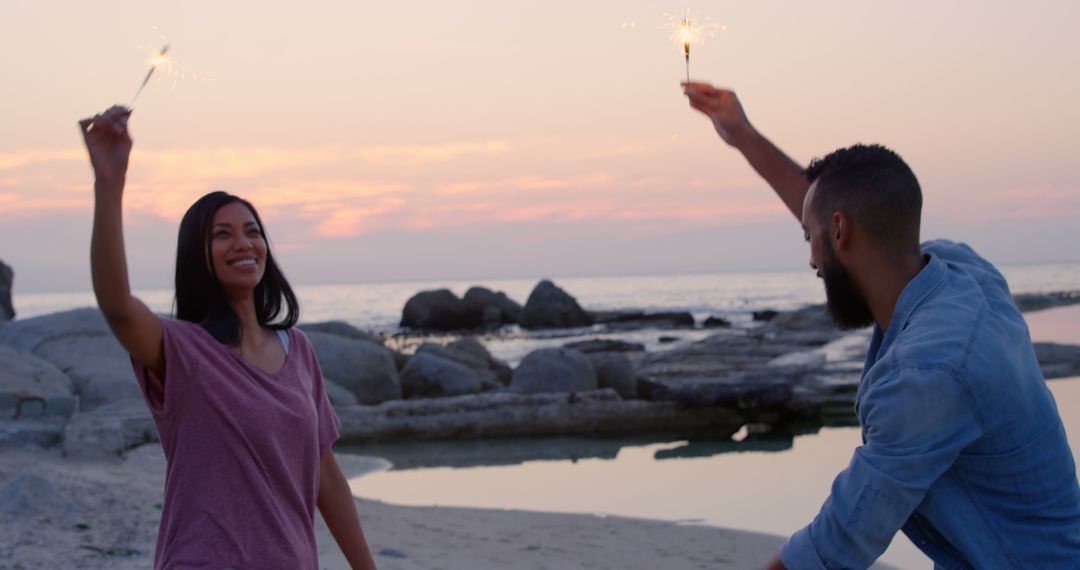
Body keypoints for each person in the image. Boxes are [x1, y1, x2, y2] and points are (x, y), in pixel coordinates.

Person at [682, 82, 1080, 569]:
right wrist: (742, 134)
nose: (810, 257)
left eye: (810, 239)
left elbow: (838, 543)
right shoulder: (959, 270)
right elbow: (836, 212)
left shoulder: (926, 373)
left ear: (840, 231)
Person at [81, 105, 378, 570]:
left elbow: (326, 477)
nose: (242, 243)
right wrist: (109, 183)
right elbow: (117, 305)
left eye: (252, 231)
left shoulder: (297, 351)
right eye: (222, 234)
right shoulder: (182, 350)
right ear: (196, 254)